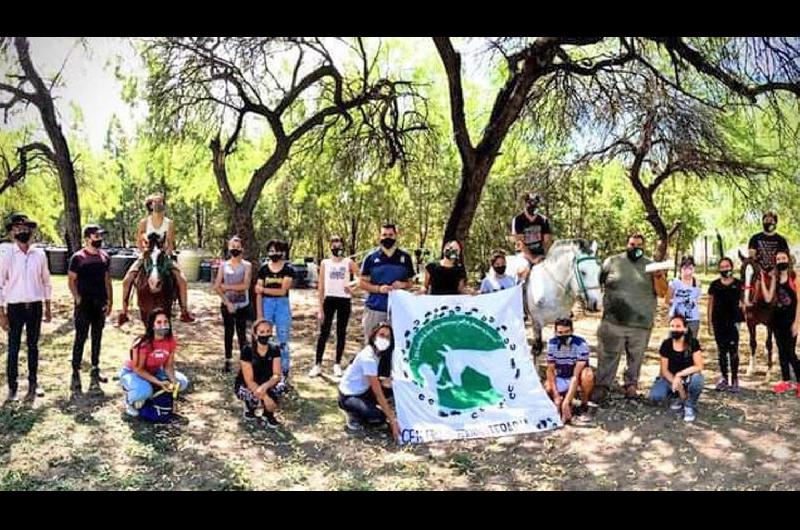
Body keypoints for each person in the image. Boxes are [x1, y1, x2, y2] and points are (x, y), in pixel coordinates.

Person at [593, 232, 664, 402]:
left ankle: (631, 386)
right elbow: (596, 283)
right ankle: (602, 386)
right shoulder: (612, 262)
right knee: (608, 355)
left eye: (639, 246)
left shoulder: (651, 266)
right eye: (632, 245)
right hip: (612, 321)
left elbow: (662, 292)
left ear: (643, 247)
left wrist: (659, 276)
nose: (635, 248)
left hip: (641, 322)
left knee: (636, 358)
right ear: (627, 244)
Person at [0, 213, 52, 402]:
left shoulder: (39, 253)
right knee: (13, 347)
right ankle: (12, 387)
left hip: (35, 306)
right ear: (12, 232)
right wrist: (1, 313)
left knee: (33, 346)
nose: (22, 231)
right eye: (18, 228)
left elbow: (46, 281)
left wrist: (47, 306)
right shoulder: (6, 253)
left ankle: (33, 383)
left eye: (25, 228)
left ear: (31, 230)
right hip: (14, 307)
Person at [121, 193, 194, 322]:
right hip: (147, 255)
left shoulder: (169, 223)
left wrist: (165, 251)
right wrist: (145, 251)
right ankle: (124, 312)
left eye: (161, 202)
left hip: (164, 255)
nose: (158, 204)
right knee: (127, 280)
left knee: (182, 280)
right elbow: (139, 242)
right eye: (155, 202)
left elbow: (170, 243)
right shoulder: (144, 222)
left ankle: (184, 311)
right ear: (150, 205)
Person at [119, 307, 189, 417]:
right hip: (133, 373)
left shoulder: (170, 341)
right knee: (144, 391)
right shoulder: (143, 343)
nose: (163, 325)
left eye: (166, 322)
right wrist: (159, 382)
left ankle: (155, 393)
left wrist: (173, 381)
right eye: (159, 322)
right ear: (152, 325)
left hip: (155, 371)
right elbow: (138, 369)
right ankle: (129, 398)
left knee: (182, 382)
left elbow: (168, 366)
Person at [68, 224, 113, 389]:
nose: (99, 239)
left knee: (97, 336)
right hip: (84, 304)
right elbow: (71, 280)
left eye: (101, 236)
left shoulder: (105, 257)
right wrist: (77, 298)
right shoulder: (78, 257)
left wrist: (110, 301)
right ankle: (75, 370)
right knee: (81, 337)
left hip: (99, 303)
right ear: (87, 239)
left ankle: (95, 368)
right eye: (96, 236)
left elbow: (107, 280)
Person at [337, 322, 399, 440]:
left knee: (390, 386)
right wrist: (392, 420)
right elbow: (378, 393)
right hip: (349, 396)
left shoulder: (379, 353)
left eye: (388, 337)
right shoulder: (368, 357)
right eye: (381, 335)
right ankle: (352, 413)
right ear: (374, 335)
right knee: (378, 417)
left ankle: (372, 408)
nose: (384, 339)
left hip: (364, 390)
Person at [311, 236, 359, 378]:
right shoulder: (325, 263)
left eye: (338, 244)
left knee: (341, 332)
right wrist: (320, 308)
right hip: (329, 300)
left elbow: (361, 277)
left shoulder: (348, 262)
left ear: (342, 246)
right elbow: (321, 287)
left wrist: (352, 286)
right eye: (333, 244)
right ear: (330, 246)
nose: (336, 246)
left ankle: (337, 364)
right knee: (324, 332)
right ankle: (317, 364)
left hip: (344, 300)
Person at [358, 223, 414, 342]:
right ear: (379, 236)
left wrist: (402, 285)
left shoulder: (405, 257)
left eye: (390, 235)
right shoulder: (371, 258)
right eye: (384, 235)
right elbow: (362, 283)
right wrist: (379, 289)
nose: (387, 237)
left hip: (398, 310)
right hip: (375, 309)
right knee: (372, 346)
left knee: (396, 346)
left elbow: (410, 283)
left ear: (396, 236)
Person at [648, 315, 705, 423]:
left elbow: (699, 366)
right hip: (670, 378)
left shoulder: (693, 343)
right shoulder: (666, 344)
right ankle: (676, 397)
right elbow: (664, 370)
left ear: (685, 328)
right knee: (655, 396)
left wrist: (679, 375)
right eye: (672, 326)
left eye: (678, 326)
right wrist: (678, 385)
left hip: (688, 377)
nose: (675, 329)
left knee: (698, 379)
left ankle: (689, 405)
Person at [760, 250, 800, 395]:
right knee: (781, 352)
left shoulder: (794, 277)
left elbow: (799, 302)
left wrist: (796, 323)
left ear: (788, 259)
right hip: (776, 321)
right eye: (778, 259)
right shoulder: (775, 278)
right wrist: (763, 281)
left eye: (783, 258)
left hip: (790, 321)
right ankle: (786, 381)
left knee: (790, 353)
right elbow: (768, 298)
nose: (781, 260)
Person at [255, 239, 294, 388]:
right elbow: (257, 292)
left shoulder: (288, 269)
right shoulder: (263, 269)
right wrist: (259, 315)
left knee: (282, 340)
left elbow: (282, 291)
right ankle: (265, 371)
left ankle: (283, 373)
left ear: (282, 252)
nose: (273, 253)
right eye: (270, 251)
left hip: (282, 305)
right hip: (266, 304)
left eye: (276, 250)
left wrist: (263, 290)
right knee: (264, 339)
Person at [544, 318, 596, 425]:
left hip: (576, 377)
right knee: (547, 387)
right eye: (560, 332)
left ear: (572, 331)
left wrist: (566, 403)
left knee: (587, 375)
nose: (563, 335)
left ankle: (584, 404)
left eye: (567, 332)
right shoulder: (552, 344)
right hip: (562, 375)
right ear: (555, 332)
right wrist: (556, 396)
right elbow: (550, 371)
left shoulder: (581, 344)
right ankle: (561, 402)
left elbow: (575, 376)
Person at [214, 236, 253, 373]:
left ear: (242, 248)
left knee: (242, 333)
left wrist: (227, 286)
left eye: (237, 246)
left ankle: (245, 362)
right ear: (228, 247)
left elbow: (246, 285)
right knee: (228, 333)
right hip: (227, 304)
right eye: (232, 246)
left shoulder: (247, 265)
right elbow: (217, 286)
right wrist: (227, 301)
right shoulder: (223, 265)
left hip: (243, 305)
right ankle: (228, 360)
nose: (234, 249)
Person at [234, 319, 282, 428]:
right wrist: (265, 397)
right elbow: (249, 380)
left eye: (268, 331)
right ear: (255, 335)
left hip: (266, 380)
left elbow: (276, 374)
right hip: (250, 383)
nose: (265, 335)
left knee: (280, 387)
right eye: (262, 332)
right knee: (253, 396)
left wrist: (265, 386)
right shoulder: (247, 350)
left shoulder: (275, 349)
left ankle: (268, 414)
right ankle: (249, 407)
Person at [707, 257, 744, 392]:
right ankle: (724, 378)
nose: (725, 269)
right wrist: (709, 323)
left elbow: (745, 301)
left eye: (727, 266)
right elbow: (710, 304)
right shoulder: (714, 285)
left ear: (732, 267)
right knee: (722, 351)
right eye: (722, 267)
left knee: (733, 351)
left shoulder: (739, 284)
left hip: (734, 322)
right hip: (718, 322)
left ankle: (735, 379)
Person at [511, 192, 552, 280]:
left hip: (539, 254)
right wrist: (532, 259)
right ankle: (520, 291)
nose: (533, 205)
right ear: (526, 203)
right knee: (523, 271)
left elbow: (546, 241)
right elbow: (519, 243)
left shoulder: (543, 220)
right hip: (523, 255)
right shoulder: (518, 220)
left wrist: (544, 256)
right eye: (530, 202)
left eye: (535, 203)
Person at [665, 256, 702, 338]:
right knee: (673, 342)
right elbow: (667, 300)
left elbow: (696, 299)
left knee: (690, 343)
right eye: (685, 268)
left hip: (693, 319)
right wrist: (676, 301)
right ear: (681, 269)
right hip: (677, 318)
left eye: (690, 268)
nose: (688, 271)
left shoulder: (697, 283)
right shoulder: (674, 282)